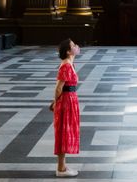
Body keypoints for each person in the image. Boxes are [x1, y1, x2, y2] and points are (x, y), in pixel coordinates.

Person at [50, 38, 80, 177]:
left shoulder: (70, 63)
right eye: (73, 45)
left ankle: (62, 166)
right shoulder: (66, 66)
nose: (77, 46)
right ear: (68, 51)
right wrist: (56, 102)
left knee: (66, 133)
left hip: (70, 100)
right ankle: (60, 169)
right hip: (66, 102)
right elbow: (58, 88)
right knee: (63, 133)